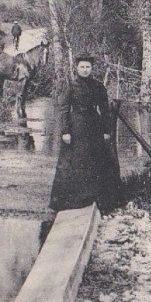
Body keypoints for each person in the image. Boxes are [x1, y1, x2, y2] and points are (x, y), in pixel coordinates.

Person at [49, 54, 120, 213]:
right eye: (82, 67)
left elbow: (105, 110)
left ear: (92, 68)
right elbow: (64, 110)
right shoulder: (71, 86)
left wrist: (106, 130)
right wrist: (65, 131)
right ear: (77, 68)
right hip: (76, 126)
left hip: (94, 126)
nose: (85, 70)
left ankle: (96, 198)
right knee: (74, 161)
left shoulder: (98, 86)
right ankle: (72, 200)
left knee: (96, 160)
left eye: (88, 67)